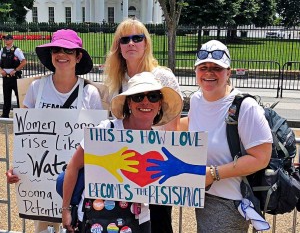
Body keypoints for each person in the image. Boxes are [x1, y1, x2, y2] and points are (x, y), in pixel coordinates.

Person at [6, 29, 105, 233]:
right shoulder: (36, 89)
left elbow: (98, 143)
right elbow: (25, 138)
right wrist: (17, 169)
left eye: (68, 50)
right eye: (56, 50)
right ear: (50, 55)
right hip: (41, 186)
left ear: (78, 57)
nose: (61, 55)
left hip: (79, 185)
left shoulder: (90, 93)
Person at [62, 72, 183, 233]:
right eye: (138, 97)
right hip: (97, 219)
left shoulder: (160, 144)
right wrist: (65, 210)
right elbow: (73, 167)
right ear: (129, 103)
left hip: (138, 221)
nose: (146, 102)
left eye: (153, 96)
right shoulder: (106, 130)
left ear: (160, 103)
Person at [104, 18, 182, 233]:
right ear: (118, 47)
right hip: (124, 167)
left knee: (159, 225)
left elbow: (172, 129)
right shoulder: (115, 82)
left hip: (155, 167)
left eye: (137, 38)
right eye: (125, 39)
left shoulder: (163, 77)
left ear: (146, 43)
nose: (131, 43)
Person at [186, 40, 273, 232]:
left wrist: (213, 174)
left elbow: (261, 158)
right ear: (196, 71)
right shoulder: (196, 100)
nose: (209, 73)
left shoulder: (245, 106)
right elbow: (191, 130)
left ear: (228, 73)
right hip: (202, 197)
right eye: (203, 67)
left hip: (230, 202)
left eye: (216, 68)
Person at [0, 34, 26, 117]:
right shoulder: (2, 50)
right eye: (4, 39)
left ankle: (20, 115)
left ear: (12, 40)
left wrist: (15, 70)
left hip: (15, 77)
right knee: (6, 96)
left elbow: (24, 62)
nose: (5, 40)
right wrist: (1, 70)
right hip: (6, 77)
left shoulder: (17, 50)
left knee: (19, 96)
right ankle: (5, 114)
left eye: (7, 39)